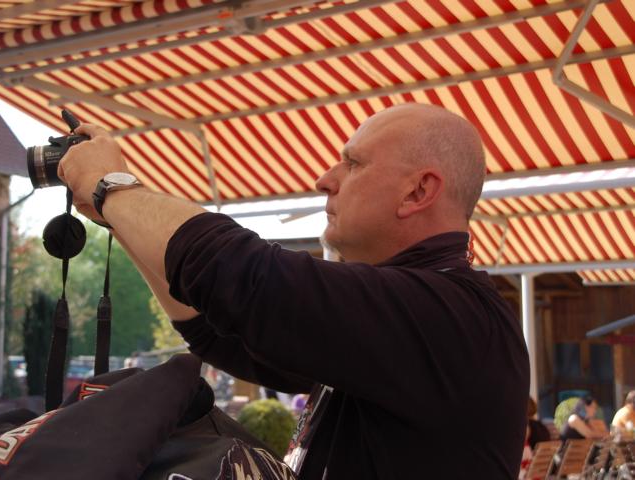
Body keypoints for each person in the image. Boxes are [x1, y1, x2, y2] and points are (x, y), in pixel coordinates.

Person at [58, 103, 529, 478]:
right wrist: (119, 218)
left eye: (353, 163)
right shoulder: (410, 319)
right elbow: (219, 333)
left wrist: (112, 187)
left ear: (418, 192)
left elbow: (245, 277)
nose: (325, 180)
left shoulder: (450, 315)